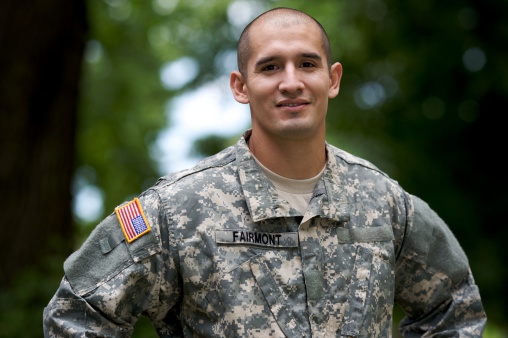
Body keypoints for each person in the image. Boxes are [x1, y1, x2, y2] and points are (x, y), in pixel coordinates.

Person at [43, 7, 487, 337]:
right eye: (270, 66)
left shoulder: (383, 203)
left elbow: (454, 307)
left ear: (332, 80)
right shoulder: (177, 212)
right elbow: (74, 316)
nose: (291, 81)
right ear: (241, 86)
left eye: (307, 64)